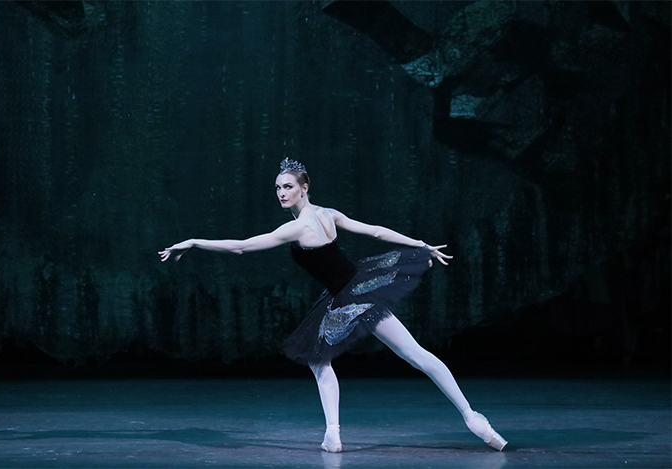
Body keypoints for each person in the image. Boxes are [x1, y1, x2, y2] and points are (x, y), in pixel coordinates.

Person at [159, 157, 507, 452]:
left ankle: (469, 418)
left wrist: (192, 242)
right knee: (345, 358)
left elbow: (241, 247)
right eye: (278, 188)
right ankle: (337, 434)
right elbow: (374, 231)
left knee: (404, 356)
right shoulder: (327, 214)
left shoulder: (295, 229)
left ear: (304, 188)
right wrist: (419, 242)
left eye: (288, 187)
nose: (282, 193)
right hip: (358, 288)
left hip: (350, 296)